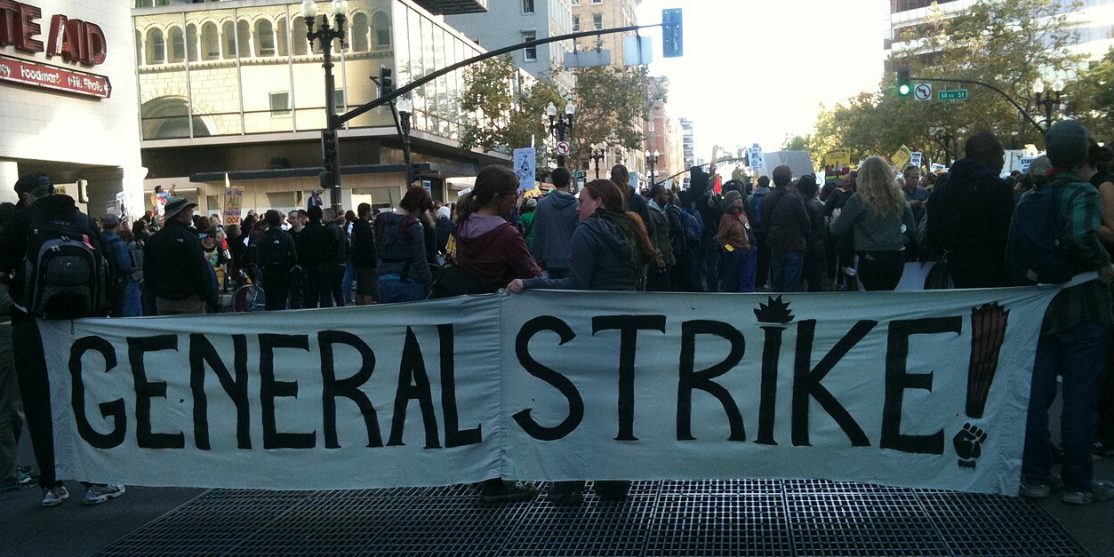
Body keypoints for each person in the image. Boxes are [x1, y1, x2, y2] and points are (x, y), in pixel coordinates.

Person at [507, 179, 655, 504]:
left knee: (573, 407)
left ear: (598, 201)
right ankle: (614, 481)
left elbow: (577, 285)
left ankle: (568, 483)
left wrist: (530, 284)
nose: (578, 207)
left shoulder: (588, 233)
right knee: (613, 411)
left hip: (590, 335)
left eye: (583, 200)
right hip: (623, 336)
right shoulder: (631, 230)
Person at [0, 174, 125, 507]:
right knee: (81, 400)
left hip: (32, 323)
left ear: (27, 196)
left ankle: (52, 485)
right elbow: (106, 268)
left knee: (39, 402)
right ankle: (94, 480)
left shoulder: (22, 219)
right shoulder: (81, 220)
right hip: (78, 325)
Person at [1019, 120, 1114, 505]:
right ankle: (1078, 483)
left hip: (1041, 310)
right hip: (1084, 309)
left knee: (1035, 397)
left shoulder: (1030, 197)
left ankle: (1036, 477)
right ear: (1083, 153)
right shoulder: (1082, 193)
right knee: (1079, 399)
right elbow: (1080, 236)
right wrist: (1102, 263)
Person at [925, 132, 1014, 288]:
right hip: (991, 281)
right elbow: (1008, 239)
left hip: (952, 280)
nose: (1001, 163)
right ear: (989, 155)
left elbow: (930, 239)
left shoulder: (940, 192)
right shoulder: (997, 189)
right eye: (1000, 157)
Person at [830, 157, 917, 291]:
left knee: (872, 297)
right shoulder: (899, 197)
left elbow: (837, 230)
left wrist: (835, 217)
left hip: (870, 256)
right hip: (896, 256)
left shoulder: (859, 199)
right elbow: (911, 227)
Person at [145, 197, 211, 315]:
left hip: (163, 301)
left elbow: (148, 271)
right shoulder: (190, 238)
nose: (192, 214)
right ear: (181, 213)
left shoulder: (154, 239)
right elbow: (199, 270)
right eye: (190, 210)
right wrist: (204, 294)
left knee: (169, 333)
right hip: (190, 302)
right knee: (193, 332)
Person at [375, 187, 434, 303]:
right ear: (417, 207)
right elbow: (420, 261)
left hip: (383, 280)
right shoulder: (414, 227)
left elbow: (377, 250)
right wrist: (429, 285)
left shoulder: (381, 220)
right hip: (409, 281)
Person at [762, 165, 810, 292]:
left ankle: (778, 307)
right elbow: (804, 222)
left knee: (778, 279)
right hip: (793, 243)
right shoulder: (795, 197)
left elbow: (764, 222)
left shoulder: (768, 198)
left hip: (775, 243)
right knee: (792, 282)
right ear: (789, 178)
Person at [531, 166, 579, 279]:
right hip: (572, 261)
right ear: (569, 181)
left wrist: (538, 259)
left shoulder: (542, 205)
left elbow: (538, 235)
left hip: (549, 261)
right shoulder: (577, 206)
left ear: (553, 181)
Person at [297, 205, 338, 308]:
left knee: (311, 295)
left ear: (308, 216)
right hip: (325, 265)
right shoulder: (326, 231)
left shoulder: (303, 233)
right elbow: (336, 246)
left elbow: (299, 251)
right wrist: (330, 257)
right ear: (320, 216)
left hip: (309, 267)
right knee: (326, 295)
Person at [715, 190, 756, 292]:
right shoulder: (726, 218)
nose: (739, 200)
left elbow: (748, 229)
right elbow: (721, 238)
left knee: (747, 279)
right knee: (731, 281)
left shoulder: (743, 214)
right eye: (736, 199)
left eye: (740, 198)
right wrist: (731, 250)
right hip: (735, 253)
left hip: (748, 251)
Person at [256, 210, 297, 311]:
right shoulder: (286, 236)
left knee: (270, 298)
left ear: (268, 222)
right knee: (282, 298)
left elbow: (259, 256)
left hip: (268, 270)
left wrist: (261, 267)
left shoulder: (263, 237)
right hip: (284, 270)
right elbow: (293, 255)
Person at [101, 214, 140, 317]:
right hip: (121, 283)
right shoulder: (118, 243)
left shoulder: (99, 240)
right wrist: (135, 268)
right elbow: (125, 267)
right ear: (117, 225)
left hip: (104, 284)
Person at [798, 175, 827, 291]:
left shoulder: (801, 204)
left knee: (799, 280)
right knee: (815, 282)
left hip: (804, 245)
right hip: (818, 245)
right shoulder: (820, 204)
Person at [645, 184, 674, 291]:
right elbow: (653, 237)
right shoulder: (651, 213)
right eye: (665, 194)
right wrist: (658, 257)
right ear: (657, 196)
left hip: (665, 256)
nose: (668, 197)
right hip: (657, 260)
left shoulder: (662, 211)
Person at [351, 203, 378, 305]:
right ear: (367, 212)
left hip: (357, 261)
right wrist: (373, 262)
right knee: (368, 288)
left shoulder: (356, 226)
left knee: (360, 288)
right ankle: (368, 309)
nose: (371, 213)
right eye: (370, 211)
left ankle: (359, 308)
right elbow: (368, 247)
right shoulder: (365, 227)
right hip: (366, 263)